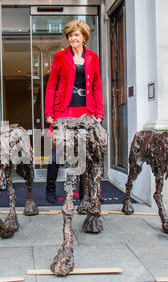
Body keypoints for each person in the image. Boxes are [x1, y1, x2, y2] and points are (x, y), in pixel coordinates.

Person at [44, 19, 106, 204]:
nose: (73, 38)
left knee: (84, 152)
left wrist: (99, 113)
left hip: (86, 111)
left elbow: (96, 86)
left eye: (76, 35)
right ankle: (49, 190)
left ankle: (82, 191)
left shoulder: (93, 57)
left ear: (84, 37)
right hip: (63, 110)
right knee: (56, 152)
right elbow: (51, 86)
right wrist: (49, 113)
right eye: (70, 35)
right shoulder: (60, 56)